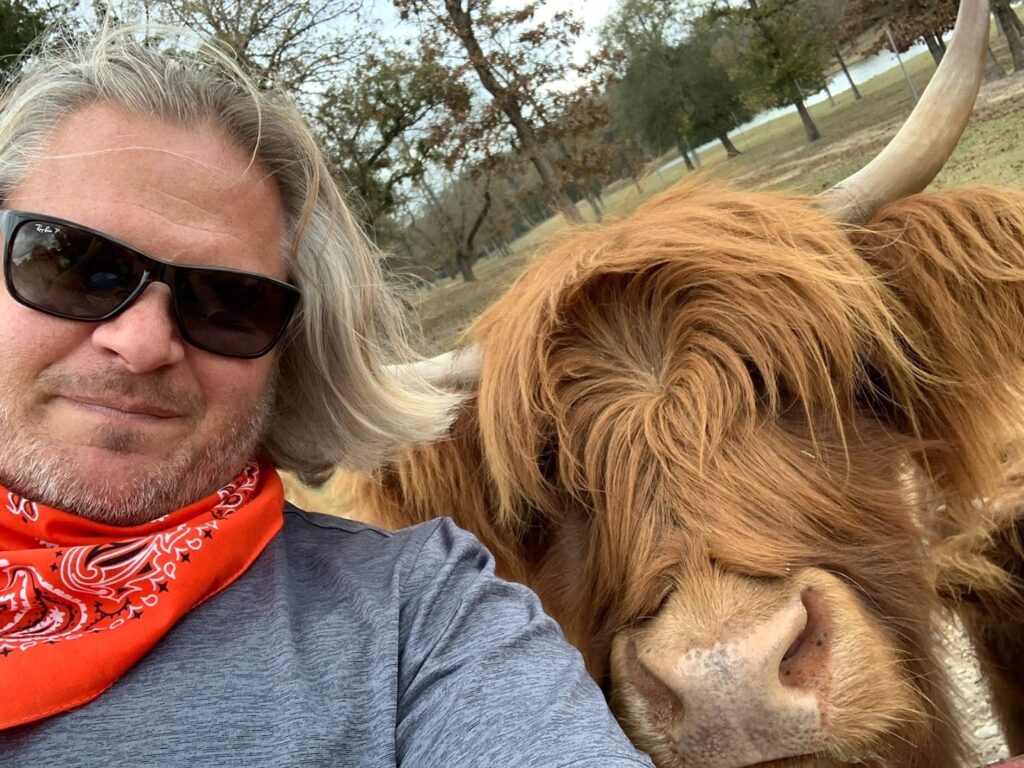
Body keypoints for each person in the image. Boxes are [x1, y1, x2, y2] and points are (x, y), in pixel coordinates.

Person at [0, 28, 654, 767]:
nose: (144, 342)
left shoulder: (419, 621)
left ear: (289, 355)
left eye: (229, 302)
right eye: (73, 265)